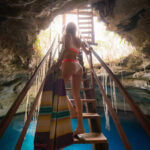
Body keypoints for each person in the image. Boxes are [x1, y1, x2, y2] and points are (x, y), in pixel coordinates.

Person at [52, 22, 91, 137]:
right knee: (76, 95)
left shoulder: (66, 36)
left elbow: (66, 49)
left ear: (67, 29)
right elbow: (87, 52)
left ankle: (72, 110)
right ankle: (80, 127)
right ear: (75, 29)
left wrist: (57, 64)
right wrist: (90, 49)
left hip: (68, 63)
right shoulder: (78, 39)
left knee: (58, 88)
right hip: (78, 66)